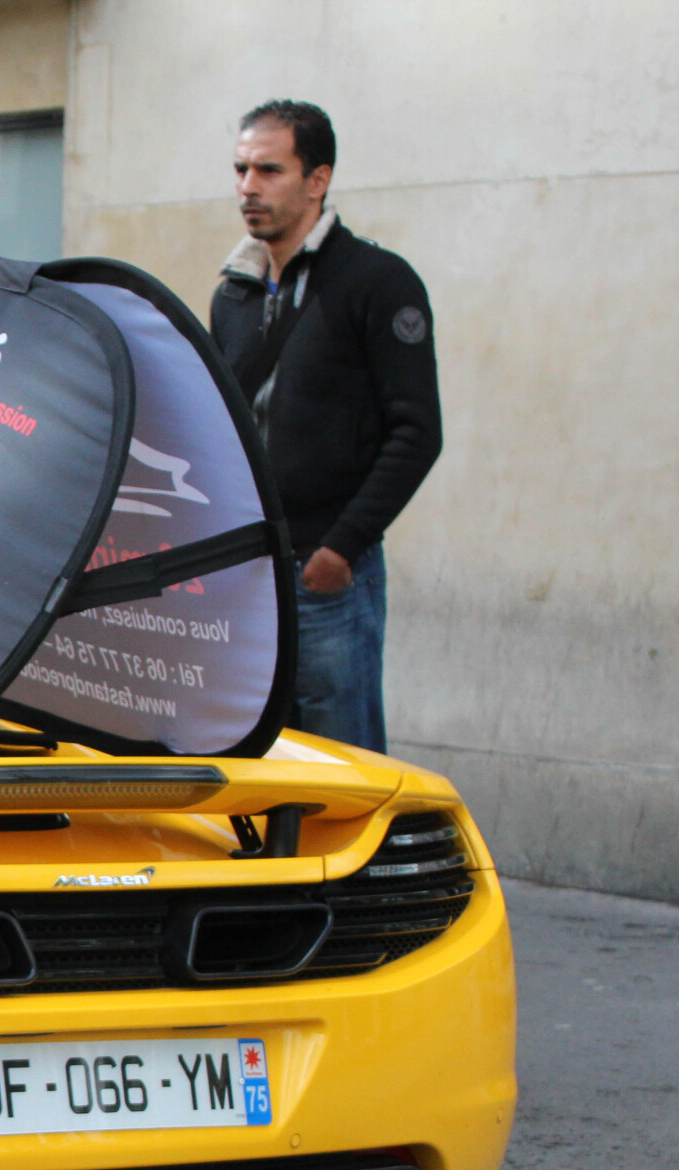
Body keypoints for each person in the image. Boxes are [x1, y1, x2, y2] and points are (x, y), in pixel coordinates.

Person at [211, 99, 440, 754]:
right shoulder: (234, 290)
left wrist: (341, 548)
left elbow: (417, 431)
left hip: (326, 575)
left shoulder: (376, 281)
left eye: (269, 170)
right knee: (253, 755)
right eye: (240, 169)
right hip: (246, 577)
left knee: (343, 763)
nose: (248, 188)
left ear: (318, 179)